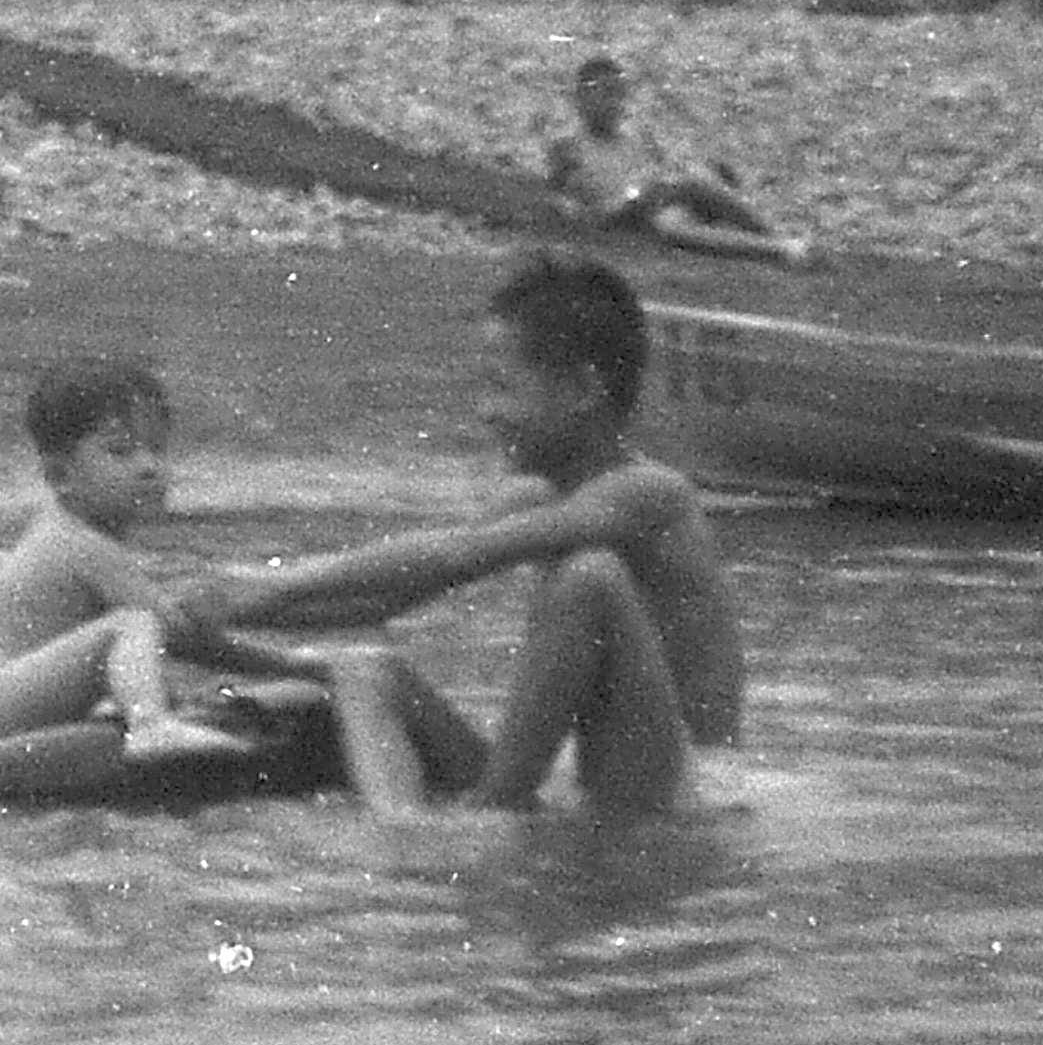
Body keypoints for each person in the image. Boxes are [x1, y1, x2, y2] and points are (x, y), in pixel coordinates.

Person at [172, 248, 746, 816]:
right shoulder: (538, 497)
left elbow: (456, 553)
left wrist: (272, 583)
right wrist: (211, 615)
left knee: (587, 578)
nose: (485, 412)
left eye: (501, 387)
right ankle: (401, 833)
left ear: (581, 392)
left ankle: (492, 813)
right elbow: (390, 595)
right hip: (585, 773)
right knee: (368, 669)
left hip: (683, 784)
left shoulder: (650, 494)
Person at [0, 358, 480, 799]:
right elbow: (178, 635)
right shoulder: (75, 541)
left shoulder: (85, 538)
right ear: (60, 476)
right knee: (129, 626)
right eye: (121, 451)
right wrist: (301, 667)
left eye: (157, 449)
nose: (150, 467)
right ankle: (150, 725)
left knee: (131, 633)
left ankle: (152, 715)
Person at [542, 51, 810, 267]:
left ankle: (779, 237)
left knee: (696, 184)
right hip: (628, 210)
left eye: (619, 94)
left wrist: (664, 181)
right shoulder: (568, 145)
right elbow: (562, 197)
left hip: (660, 196)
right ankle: (775, 249)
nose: (614, 104)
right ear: (580, 99)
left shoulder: (636, 135)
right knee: (670, 226)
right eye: (604, 94)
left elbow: (663, 168)